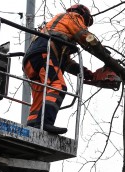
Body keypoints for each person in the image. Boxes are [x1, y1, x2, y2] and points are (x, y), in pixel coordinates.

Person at [23, 4, 96, 134]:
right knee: (58, 86)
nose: (84, 24)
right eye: (86, 21)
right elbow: (84, 35)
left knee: (41, 95)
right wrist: (102, 51)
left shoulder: (56, 27)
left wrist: (83, 72)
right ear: (82, 13)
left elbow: (65, 62)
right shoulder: (73, 17)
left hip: (31, 59)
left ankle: (33, 125)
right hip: (44, 53)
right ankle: (46, 122)